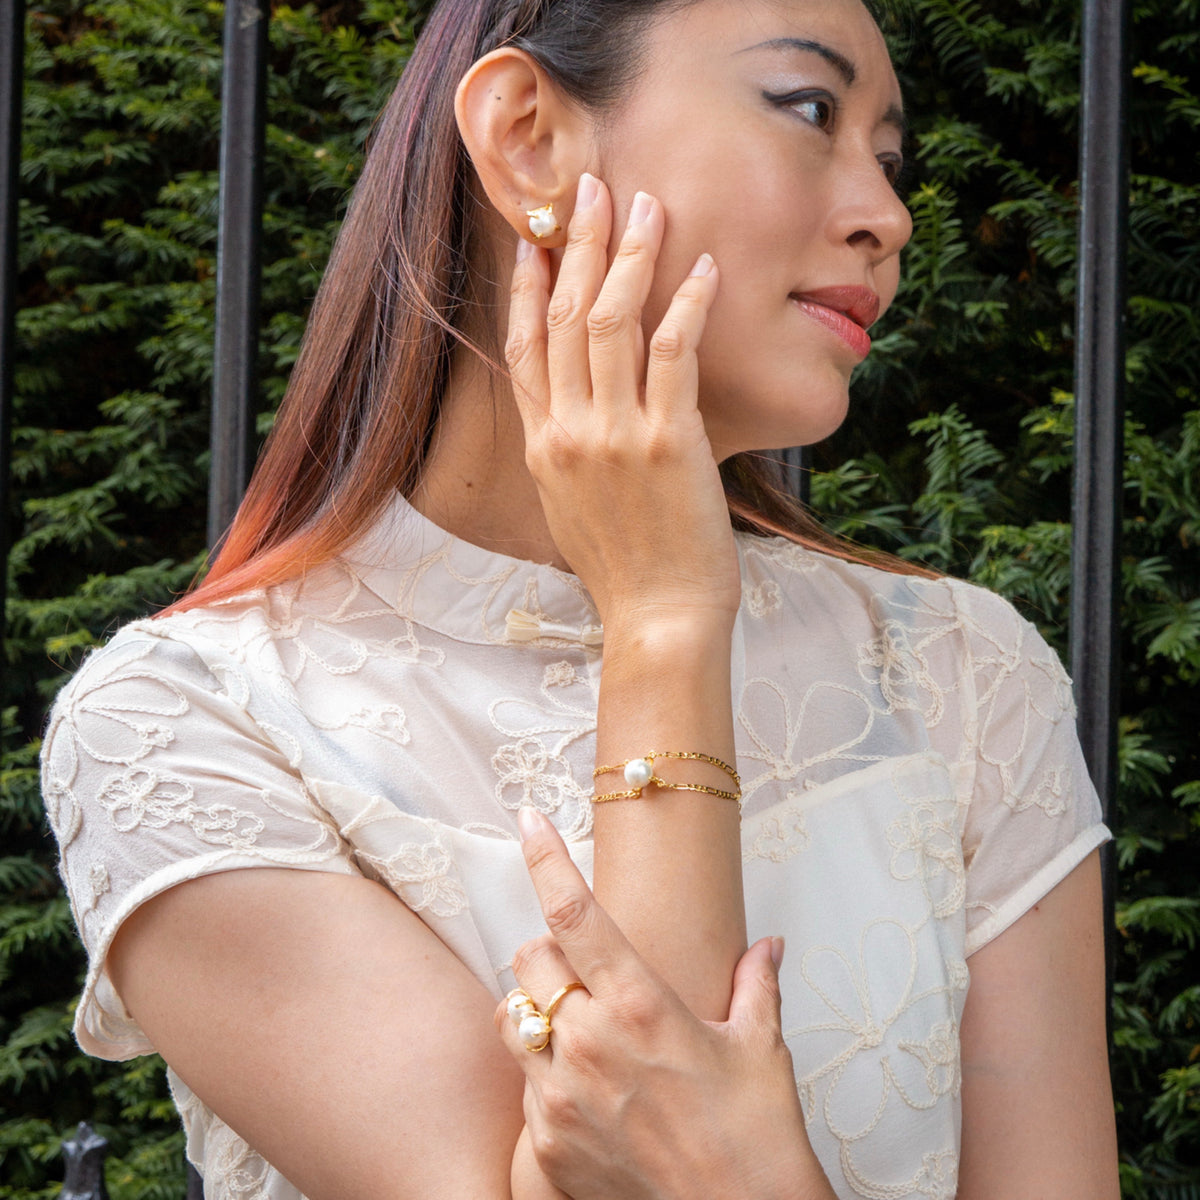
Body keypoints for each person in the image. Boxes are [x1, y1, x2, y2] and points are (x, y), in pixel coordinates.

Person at [40, 0, 1120, 1196]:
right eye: (811, 110)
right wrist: (661, 623)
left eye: (888, 154)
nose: (888, 214)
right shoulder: (188, 725)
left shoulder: (964, 676)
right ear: (527, 138)